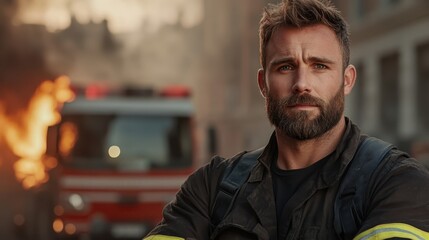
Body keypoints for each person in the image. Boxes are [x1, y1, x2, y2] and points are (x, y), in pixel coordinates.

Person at [144, 0, 429, 239]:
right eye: (285, 66)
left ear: (347, 80)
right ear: (262, 83)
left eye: (319, 66)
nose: (301, 83)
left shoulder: (398, 183)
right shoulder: (210, 188)